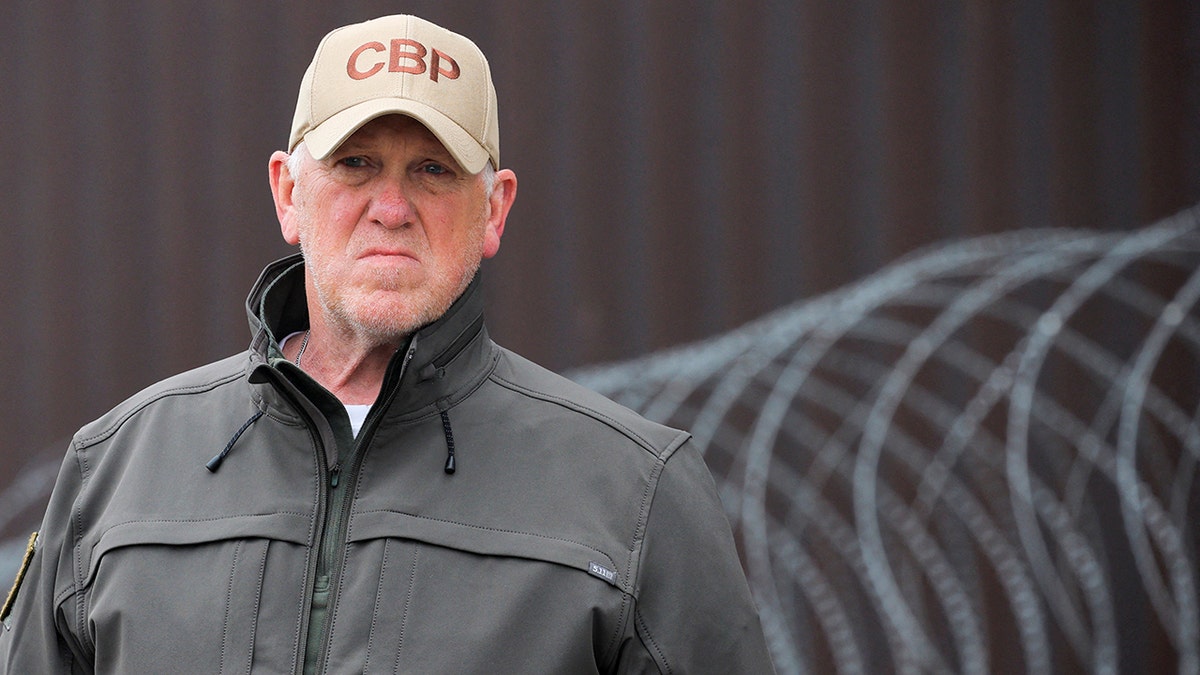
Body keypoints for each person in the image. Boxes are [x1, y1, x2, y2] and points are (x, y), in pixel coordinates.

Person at [0, 14, 774, 674]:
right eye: (356, 164)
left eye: (434, 169)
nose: (393, 207)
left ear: (495, 209)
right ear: (287, 193)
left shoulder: (637, 495)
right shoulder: (116, 471)